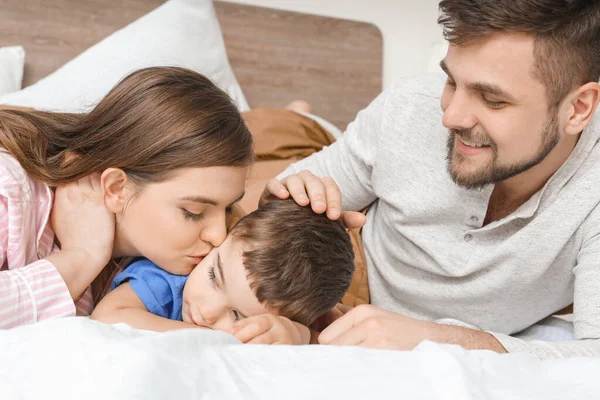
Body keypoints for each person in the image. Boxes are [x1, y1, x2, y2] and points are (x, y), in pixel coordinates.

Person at [260, 0, 600, 359]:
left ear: (578, 109)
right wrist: (281, 200)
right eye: (451, 81)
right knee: (261, 141)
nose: (451, 117)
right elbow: (277, 202)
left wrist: (439, 339)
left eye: (492, 100)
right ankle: (302, 117)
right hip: (353, 272)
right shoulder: (409, 105)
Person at [0, 66, 254, 329]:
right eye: (194, 211)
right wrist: (80, 257)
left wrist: (290, 208)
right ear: (117, 189)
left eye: (228, 208)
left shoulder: (162, 258)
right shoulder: (10, 190)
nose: (219, 236)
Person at [91, 199, 355, 345]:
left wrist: (300, 335)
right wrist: (216, 338)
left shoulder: (279, 323)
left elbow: (328, 339)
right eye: (214, 276)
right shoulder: (170, 279)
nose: (207, 311)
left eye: (237, 315)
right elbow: (107, 315)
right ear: (226, 236)